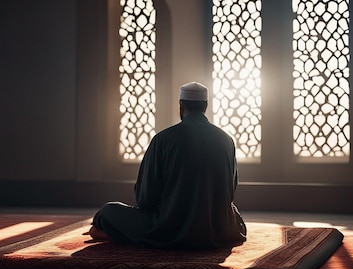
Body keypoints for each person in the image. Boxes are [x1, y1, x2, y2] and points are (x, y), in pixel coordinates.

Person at [88, 82, 247, 249]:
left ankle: (112, 232)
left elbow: (145, 199)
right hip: (218, 229)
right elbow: (230, 193)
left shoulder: (163, 139)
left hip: (171, 228)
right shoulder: (226, 140)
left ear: (181, 105)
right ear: (205, 106)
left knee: (108, 211)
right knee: (235, 216)